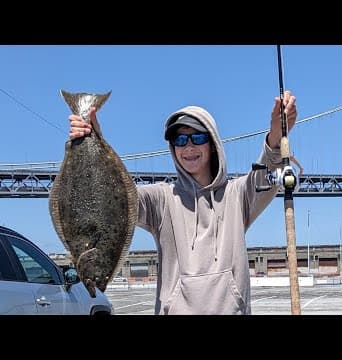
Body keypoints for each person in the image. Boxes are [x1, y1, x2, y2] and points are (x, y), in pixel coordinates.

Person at [68, 91, 297, 315]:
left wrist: (275, 137)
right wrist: (93, 139)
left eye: (197, 138)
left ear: (212, 143)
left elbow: (266, 174)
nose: (188, 147)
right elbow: (115, 198)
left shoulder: (237, 195)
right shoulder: (161, 199)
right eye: (179, 140)